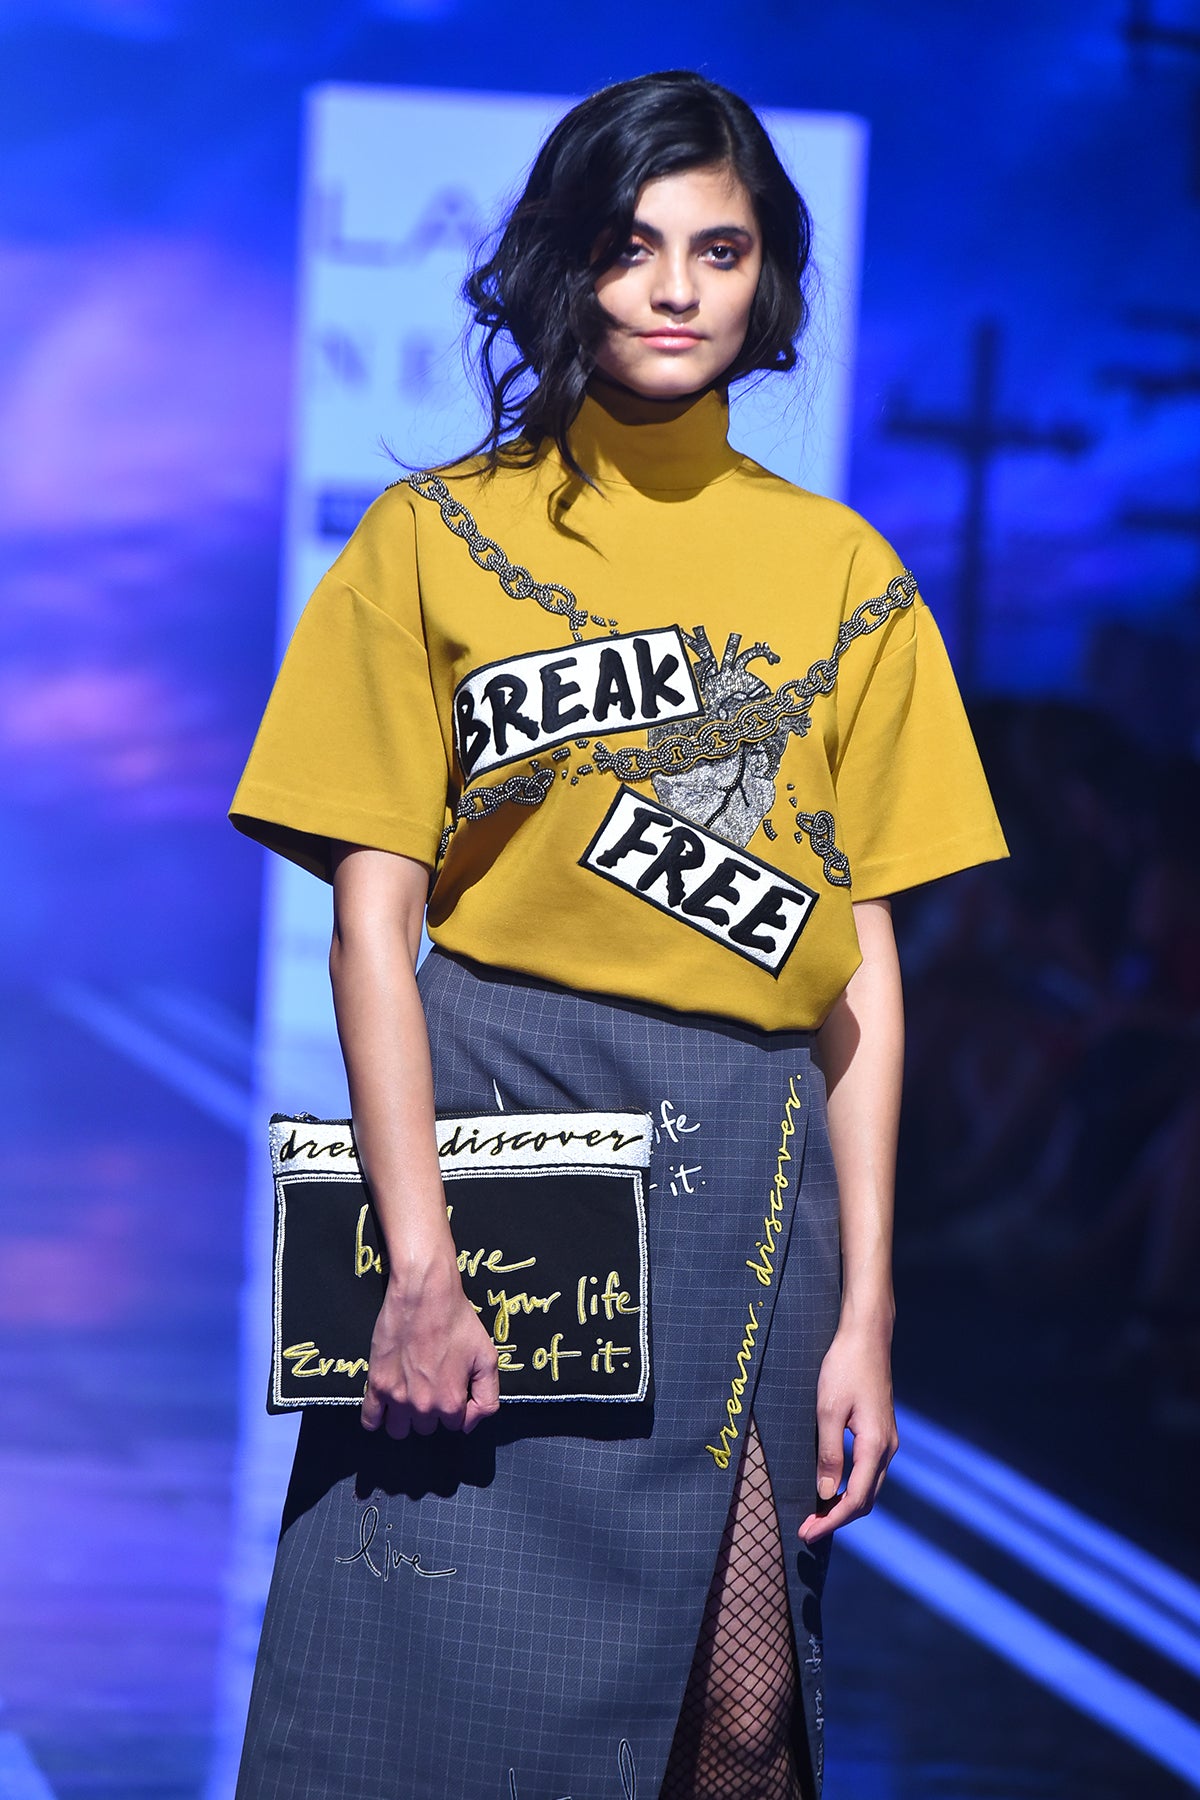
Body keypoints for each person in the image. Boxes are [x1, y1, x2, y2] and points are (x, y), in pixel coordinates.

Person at [228, 69, 1008, 1800]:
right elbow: (373, 923)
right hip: (505, 1147)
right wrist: (417, 1263)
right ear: (567, 264)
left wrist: (871, 1309)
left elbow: (862, 970)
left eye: (718, 250)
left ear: (767, 278)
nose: (674, 288)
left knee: (743, 1721)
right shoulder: (432, 540)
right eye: (631, 244)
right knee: (438, 1714)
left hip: (755, 1176)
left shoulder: (847, 578)